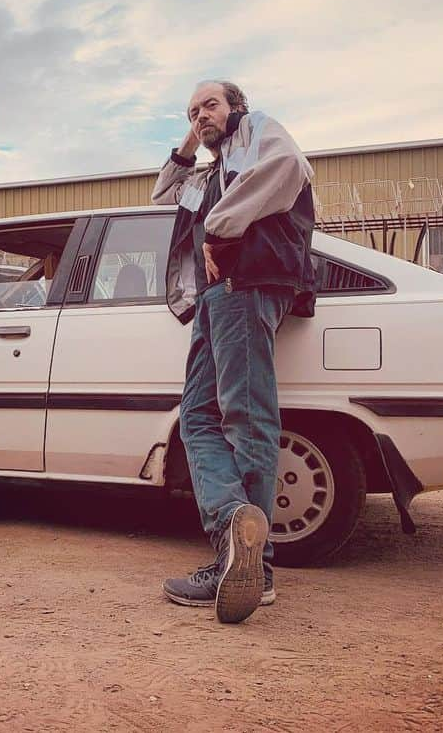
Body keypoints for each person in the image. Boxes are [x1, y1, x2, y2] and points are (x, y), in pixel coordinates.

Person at [152, 80, 316, 623]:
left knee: (246, 418)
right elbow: (160, 192)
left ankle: (255, 568)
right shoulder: (210, 168)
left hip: (244, 286)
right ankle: (234, 522)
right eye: (192, 111)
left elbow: (290, 166)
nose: (202, 116)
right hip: (210, 300)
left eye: (211, 105)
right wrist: (193, 135)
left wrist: (221, 231)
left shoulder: (257, 131)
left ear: (237, 106)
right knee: (198, 417)